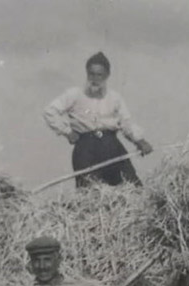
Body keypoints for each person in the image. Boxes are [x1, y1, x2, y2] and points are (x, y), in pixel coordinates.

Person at [43, 52, 154, 188]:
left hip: (112, 147)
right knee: (90, 193)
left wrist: (140, 141)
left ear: (107, 75)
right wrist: (67, 132)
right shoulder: (75, 94)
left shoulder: (114, 98)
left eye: (99, 75)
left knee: (132, 187)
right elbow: (50, 111)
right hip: (85, 149)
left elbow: (126, 123)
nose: (94, 79)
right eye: (91, 74)